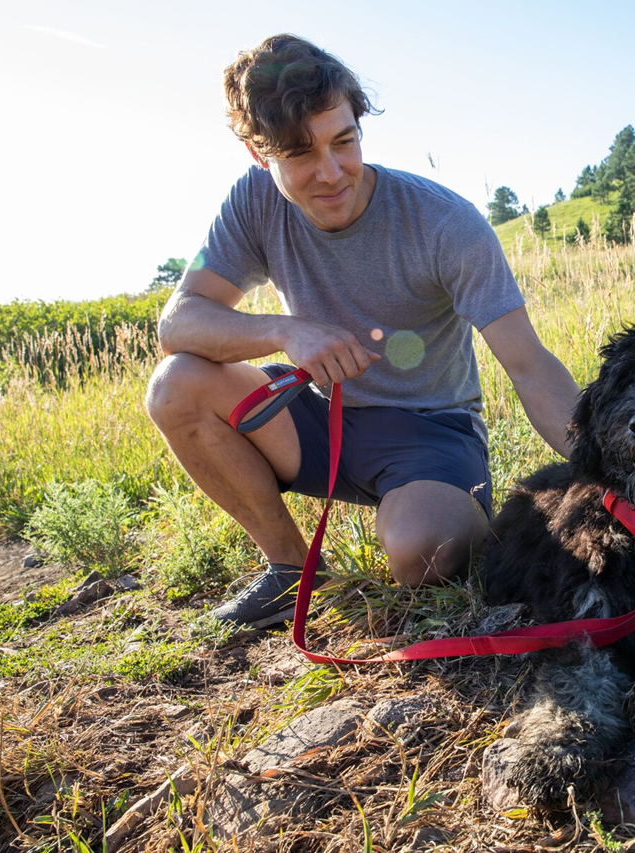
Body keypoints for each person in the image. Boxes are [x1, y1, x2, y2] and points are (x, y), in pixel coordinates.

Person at [145, 34, 578, 628]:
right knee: (176, 383)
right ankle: (291, 569)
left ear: (358, 125)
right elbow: (179, 320)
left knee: (419, 554)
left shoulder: (445, 222)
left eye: (343, 142)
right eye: (299, 154)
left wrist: (611, 467)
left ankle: (437, 511)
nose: (330, 173)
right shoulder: (249, 203)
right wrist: (285, 330)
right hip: (317, 418)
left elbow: (529, 365)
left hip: (432, 432)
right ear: (256, 152)